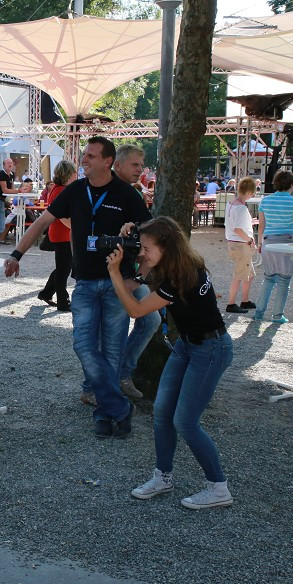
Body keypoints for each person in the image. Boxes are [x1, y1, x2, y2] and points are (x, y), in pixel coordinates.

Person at [4, 137, 151, 439]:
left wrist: (137, 280)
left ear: (108, 161)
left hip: (116, 286)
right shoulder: (74, 191)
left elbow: (155, 240)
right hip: (83, 284)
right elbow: (42, 222)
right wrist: (16, 254)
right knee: (83, 346)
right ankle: (118, 407)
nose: (84, 160)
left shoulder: (127, 195)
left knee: (111, 352)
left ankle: (105, 411)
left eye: (92, 156)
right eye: (84, 154)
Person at [106, 217, 234, 510]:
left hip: (210, 349)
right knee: (162, 412)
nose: (143, 253)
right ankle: (162, 476)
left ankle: (218, 487)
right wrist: (132, 235)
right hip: (187, 346)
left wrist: (114, 271)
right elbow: (140, 276)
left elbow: (136, 310)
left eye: (148, 248)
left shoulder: (182, 278)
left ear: (166, 247)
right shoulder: (180, 263)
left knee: (185, 422)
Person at [111, 145, 159, 402]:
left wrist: (140, 273)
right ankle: (104, 383)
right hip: (111, 274)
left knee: (151, 320)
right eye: (135, 165)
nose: (140, 170)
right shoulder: (102, 191)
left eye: (141, 165)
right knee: (114, 330)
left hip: (130, 273)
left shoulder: (133, 193)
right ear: (117, 165)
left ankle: (121, 374)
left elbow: (150, 229)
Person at [252, 170, 293, 323]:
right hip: (289, 242)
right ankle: (277, 315)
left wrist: (261, 243)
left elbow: (261, 226)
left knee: (268, 278)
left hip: (269, 242)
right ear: (292, 185)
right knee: (284, 280)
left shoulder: (265, 201)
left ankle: (259, 313)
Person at [36, 161, 76, 311]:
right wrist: (76, 227)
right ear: (68, 174)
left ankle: (46, 293)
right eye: (73, 173)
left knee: (63, 267)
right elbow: (62, 216)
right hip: (62, 233)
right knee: (63, 269)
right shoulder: (60, 190)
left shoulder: (57, 189)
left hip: (60, 232)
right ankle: (62, 301)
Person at [224, 177, 258, 313]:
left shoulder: (231, 204)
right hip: (241, 244)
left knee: (249, 274)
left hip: (234, 243)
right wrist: (250, 240)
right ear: (249, 191)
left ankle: (245, 300)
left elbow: (234, 224)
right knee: (239, 275)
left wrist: (250, 223)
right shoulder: (242, 208)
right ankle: (231, 304)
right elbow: (238, 229)